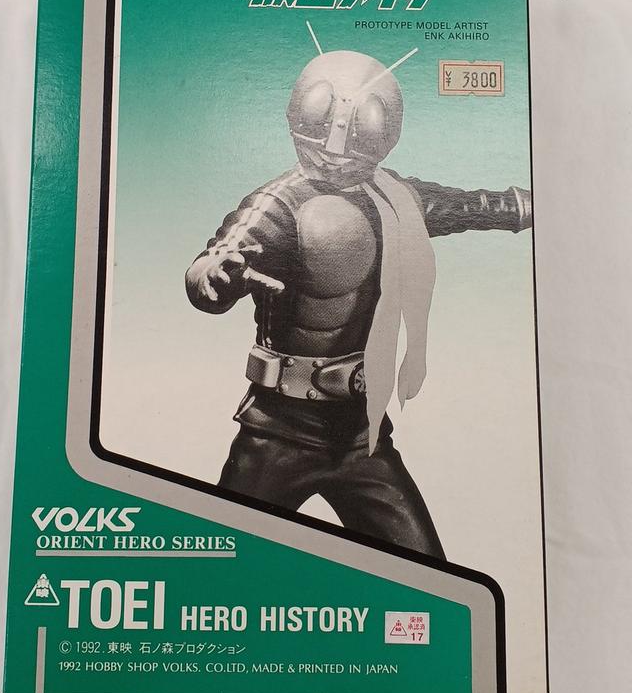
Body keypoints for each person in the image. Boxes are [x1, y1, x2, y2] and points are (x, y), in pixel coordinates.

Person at [186, 46, 531, 559]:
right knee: (222, 570)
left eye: (357, 131)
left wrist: (535, 205)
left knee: (425, 573)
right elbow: (220, 256)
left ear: (384, 133)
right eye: (320, 123)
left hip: (361, 435)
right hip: (277, 434)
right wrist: (214, 275)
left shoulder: (397, 200)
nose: (334, 148)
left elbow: (472, 206)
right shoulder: (276, 205)